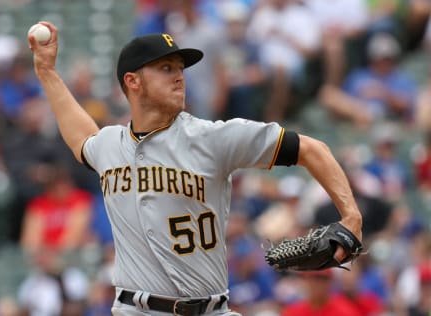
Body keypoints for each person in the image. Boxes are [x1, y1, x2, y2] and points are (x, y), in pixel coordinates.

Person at [28, 22, 363, 315]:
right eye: (165, 68)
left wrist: (351, 217)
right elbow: (80, 136)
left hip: (211, 310)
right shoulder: (110, 145)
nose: (179, 76)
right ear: (132, 81)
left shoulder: (212, 138)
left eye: (180, 68)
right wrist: (47, 73)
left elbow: (312, 150)